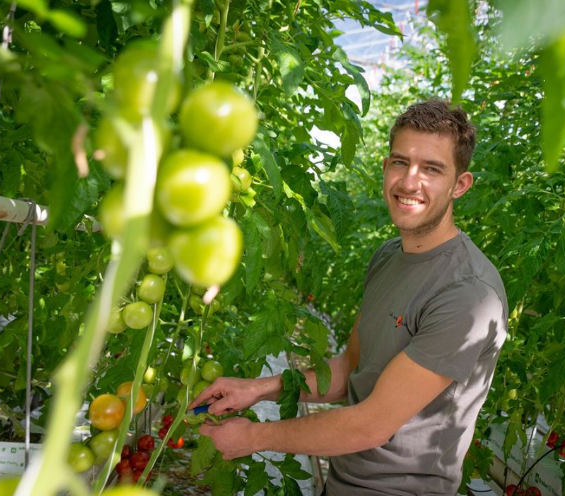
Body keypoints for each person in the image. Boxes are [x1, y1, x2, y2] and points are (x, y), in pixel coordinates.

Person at [190, 99, 508, 495]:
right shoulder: (389, 257)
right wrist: (257, 389)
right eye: (399, 162)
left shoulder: (469, 294)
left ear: (460, 184)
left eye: (431, 169)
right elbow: (348, 370)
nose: (410, 182)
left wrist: (253, 438)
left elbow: (370, 425)